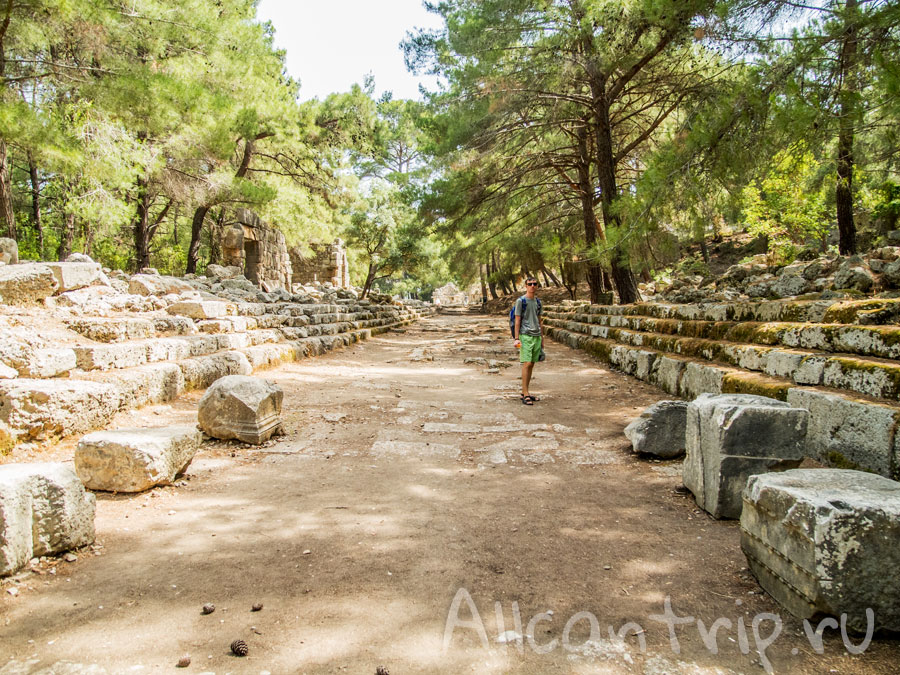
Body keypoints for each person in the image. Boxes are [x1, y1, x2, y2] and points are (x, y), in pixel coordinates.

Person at [513, 277, 542, 405]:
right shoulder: (521, 301)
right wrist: (516, 338)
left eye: (534, 284)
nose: (532, 286)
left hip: (537, 336)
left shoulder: (538, 302)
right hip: (525, 335)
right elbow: (517, 320)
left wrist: (542, 338)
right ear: (526, 286)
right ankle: (525, 394)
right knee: (527, 363)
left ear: (537, 286)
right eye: (529, 284)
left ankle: (526, 391)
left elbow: (540, 320)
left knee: (532, 364)